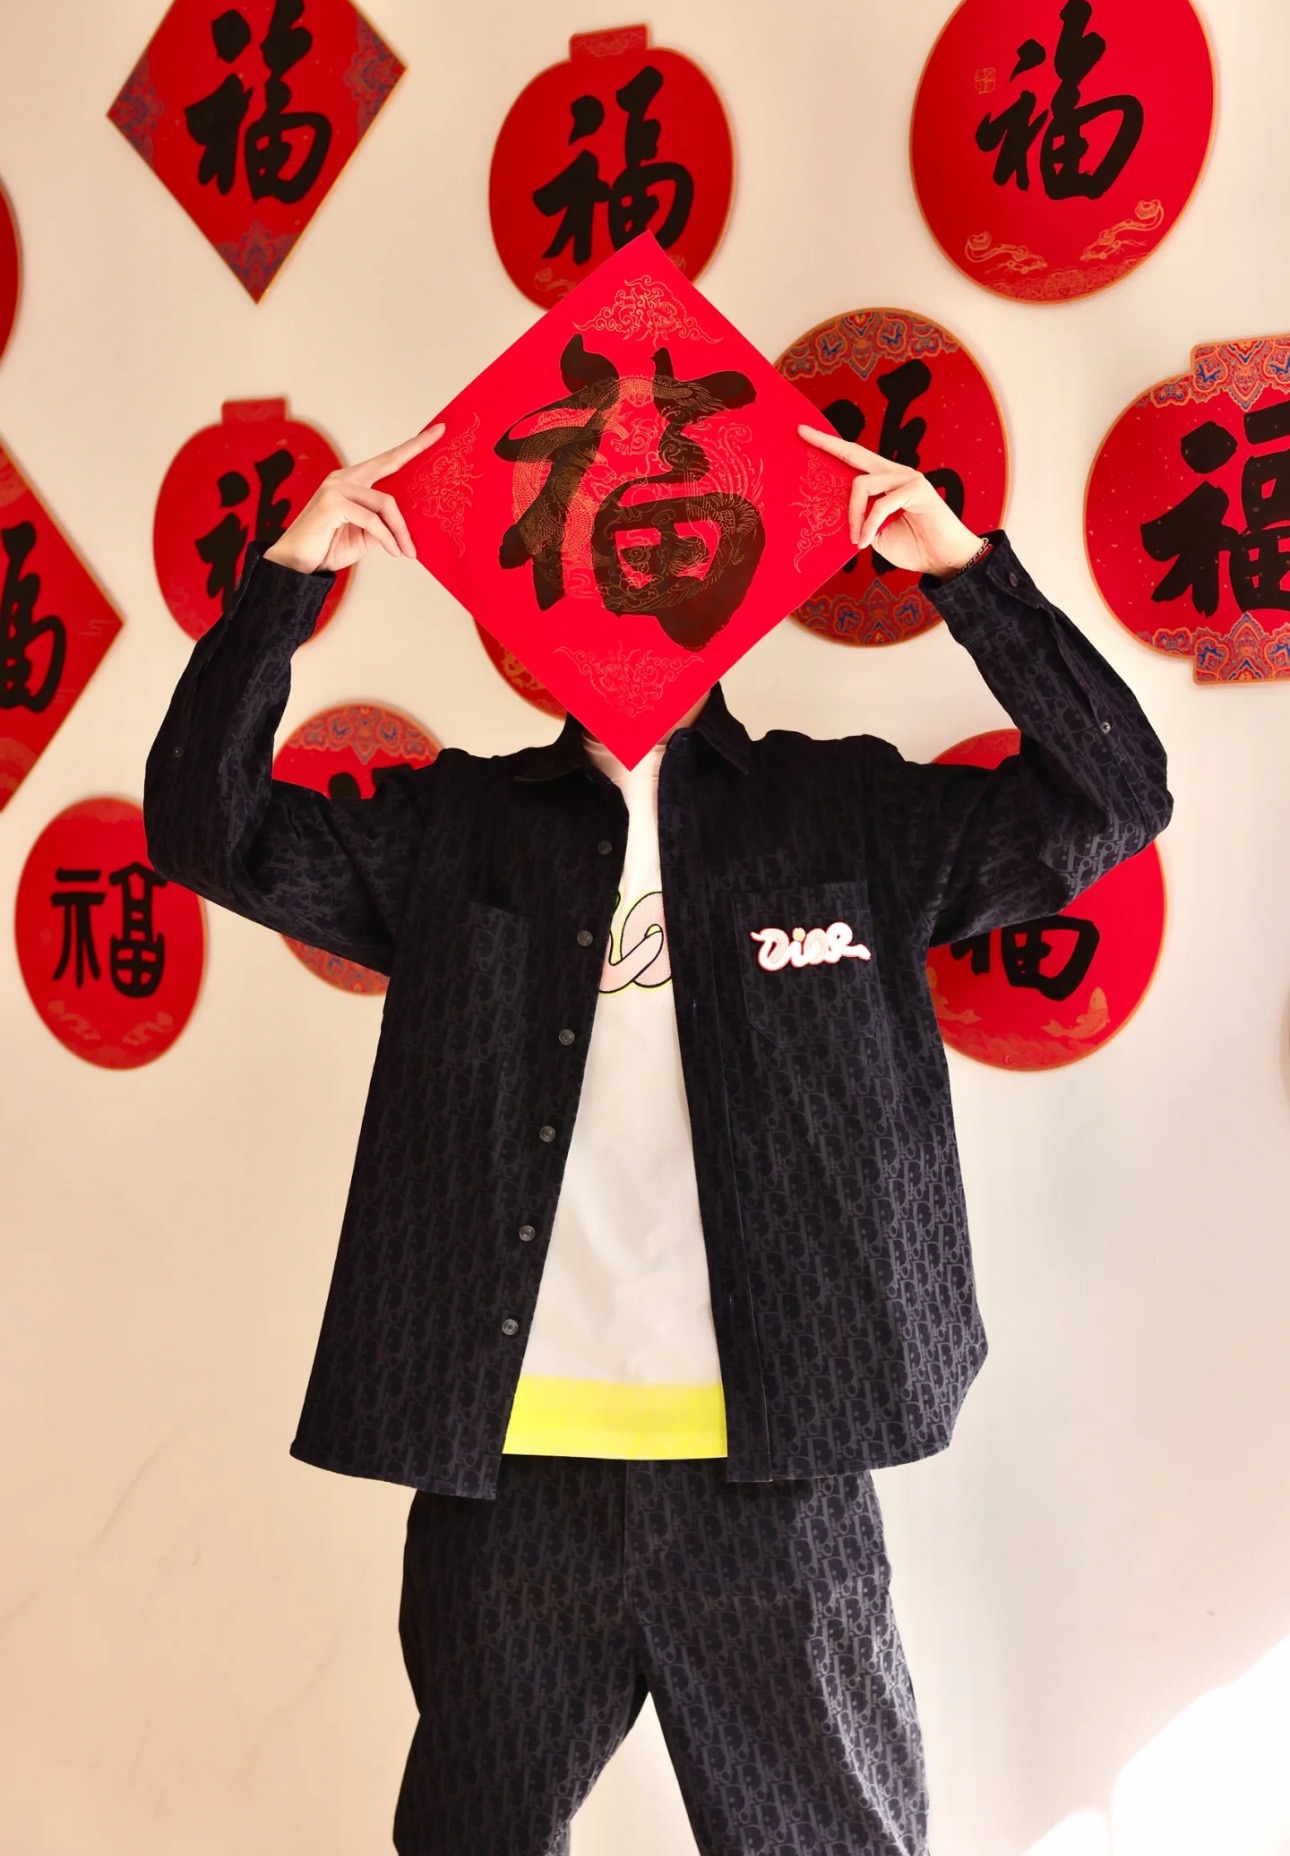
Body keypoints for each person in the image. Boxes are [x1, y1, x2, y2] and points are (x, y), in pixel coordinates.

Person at [143, 417, 1172, 1856]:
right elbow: (208, 834)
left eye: (671, 551)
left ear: (730, 580)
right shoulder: (457, 826)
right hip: (506, 1481)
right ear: (534, 600)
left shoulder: (843, 812)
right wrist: (286, 585)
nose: (631, 586)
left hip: (779, 1474)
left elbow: (1116, 796)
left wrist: (964, 574)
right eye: (590, 555)